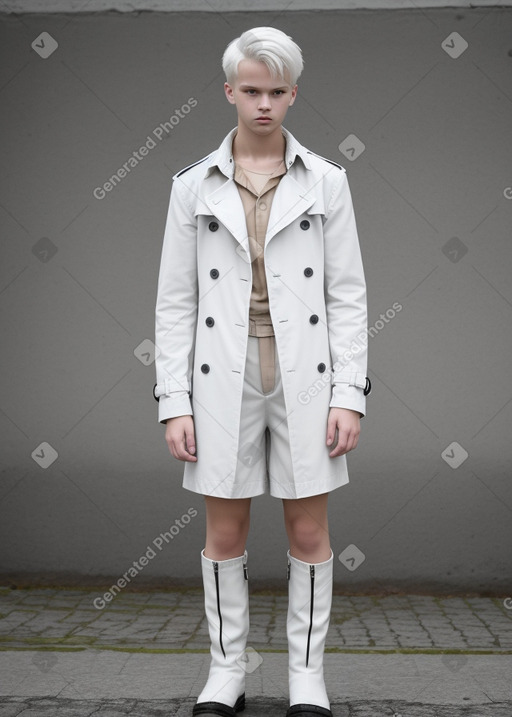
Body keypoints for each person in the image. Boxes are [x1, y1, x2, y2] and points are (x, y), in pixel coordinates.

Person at [154, 26, 370, 717]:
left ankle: (307, 676)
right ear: (228, 92)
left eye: (277, 91)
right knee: (225, 532)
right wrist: (174, 400)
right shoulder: (191, 186)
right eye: (252, 90)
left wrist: (348, 393)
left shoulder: (328, 181)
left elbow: (348, 294)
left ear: (294, 93)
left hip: (304, 368)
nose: (265, 103)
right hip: (223, 370)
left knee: (309, 530)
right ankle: (227, 671)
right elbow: (174, 301)